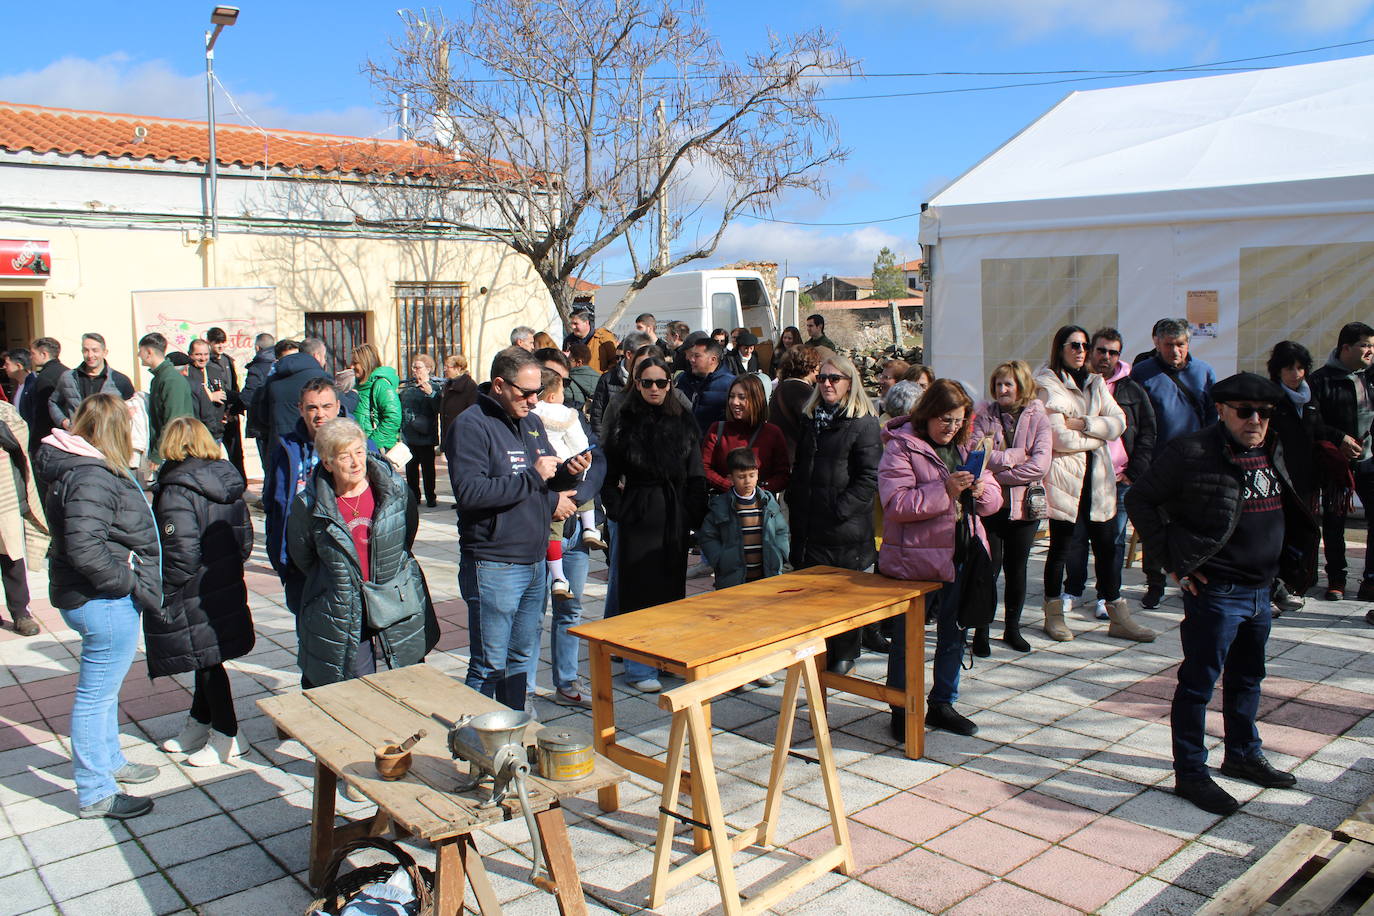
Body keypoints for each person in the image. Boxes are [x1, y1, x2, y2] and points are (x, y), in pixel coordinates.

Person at [1126, 373, 1319, 816]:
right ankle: (1191, 772)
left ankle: (1242, 753)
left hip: (1261, 589)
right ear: (1222, 410)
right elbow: (1140, 500)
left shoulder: (1271, 448)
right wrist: (1175, 562)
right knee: (1198, 685)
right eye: (1245, 412)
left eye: (1265, 413)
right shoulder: (1191, 451)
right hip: (1218, 591)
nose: (1256, 421)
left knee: (1248, 678)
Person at [35, 394, 162, 820]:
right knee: (95, 697)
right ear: (113, 431)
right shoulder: (92, 475)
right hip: (101, 600)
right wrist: (125, 581)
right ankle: (95, 790)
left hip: (91, 596)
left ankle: (110, 763)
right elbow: (84, 547)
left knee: (105, 694)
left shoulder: (80, 466)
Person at [449, 348, 590, 706]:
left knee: (520, 662)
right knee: (488, 665)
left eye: (538, 391)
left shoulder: (531, 421)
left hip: (534, 559)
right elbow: (471, 493)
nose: (534, 400)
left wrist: (564, 475)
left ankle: (514, 729)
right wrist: (534, 477)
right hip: (494, 562)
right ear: (499, 385)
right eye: (526, 392)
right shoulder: (471, 425)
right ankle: (477, 743)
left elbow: (540, 484)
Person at [880, 379, 1002, 738]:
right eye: (944, 420)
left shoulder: (966, 448)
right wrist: (945, 490)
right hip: (914, 561)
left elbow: (994, 499)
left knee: (955, 632)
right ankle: (900, 706)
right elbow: (896, 504)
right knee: (907, 639)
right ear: (928, 414)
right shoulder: (901, 447)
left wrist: (981, 492)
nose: (951, 428)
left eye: (958, 421)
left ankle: (943, 702)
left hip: (960, 554)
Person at [287, 418, 439, 688]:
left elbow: (405, 535)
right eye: (345, 456)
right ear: (327, 462)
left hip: (393, 596)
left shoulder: (393, 490)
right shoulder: (309, 505)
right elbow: (304, 557)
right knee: (356, 685)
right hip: (345, 602)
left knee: (409, 680)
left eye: (359, 452)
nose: (357, 462)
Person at [146, 417, 253, 767]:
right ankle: (201, 721)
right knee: (204, 655)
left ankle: (228, 734)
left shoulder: (177, 489)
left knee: (207, 662)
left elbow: (180, 553)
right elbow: (246, 539)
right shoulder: (225, 478)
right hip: (222, 580)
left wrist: (163, 590)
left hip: (192, 587)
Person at [1037, 326, 1153, 642]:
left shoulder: (1095, 382)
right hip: (1066, 482)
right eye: (1074, 344)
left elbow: (1119, 423)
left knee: (1106, 547)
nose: (1081, 350)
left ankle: (1117, 614)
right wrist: (1098, 436)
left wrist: (1086, 424)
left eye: (1085, 345)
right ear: (1060, 347)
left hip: (1099, 480)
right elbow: (1056, 436)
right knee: (1060, 548)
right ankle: (1053, 613)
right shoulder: (1047, 384)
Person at [602, 355, 708, 692]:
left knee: (670, 589)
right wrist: (618, 508)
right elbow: (608, 471)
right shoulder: (624, 420)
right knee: (637, 591)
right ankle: (638, 666)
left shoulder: (683, 420)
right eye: (647, 382)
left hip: (673, 513)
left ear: (670, 385)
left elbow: (695, 472)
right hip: (638, 511)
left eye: (661, 382)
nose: (654, 389)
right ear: (636, 384)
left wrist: (692, 512)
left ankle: (667, 658)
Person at [786, 353, 880, 674]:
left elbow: (869, 477)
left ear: (849, 383)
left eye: (834, 378)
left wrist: (839, 510)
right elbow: (802, 464)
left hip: (844, 528)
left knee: (843, 595)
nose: (827, 383)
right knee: (812, 594)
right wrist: (795, 498)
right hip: (809, 523)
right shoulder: (810, 418)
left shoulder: (864, 422)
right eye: (823, 378)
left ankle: (846, 652)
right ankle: (817, 649)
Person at [527, 352, 607, 708]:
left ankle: (567, 682)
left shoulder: (573, 417)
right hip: (543, 531)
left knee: (570, 609)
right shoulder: (527, 424)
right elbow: (525, 476)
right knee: (531, 614)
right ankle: (525, 689)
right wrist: (553, 499)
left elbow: (598, 458)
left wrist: (580, 495)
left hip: (576, 525)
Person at [1063, 329, 1157, 618]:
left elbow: (1147, 433)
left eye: (1112, 352)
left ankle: (1107, 594)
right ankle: (1074, 589)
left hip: (1117, 479)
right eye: (1101, 350)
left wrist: (1134, 472)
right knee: (1076, 537)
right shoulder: (1076, 385)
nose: (1106, 357)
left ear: (1120, 355)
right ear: (1091, 352)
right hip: (1080, 475)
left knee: (1113, 540)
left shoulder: (1132, 390)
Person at [1132, 317, 1217, 609]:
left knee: (1192, 525)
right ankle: (1154, 582)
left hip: (1195, 464)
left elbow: (1211, 418)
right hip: (1156, 464)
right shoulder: (1142, 373)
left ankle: (1193, 578)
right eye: (1169, 345)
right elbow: (1136, 421)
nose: (1175, 351)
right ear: (1157, 343)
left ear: (1188, 343)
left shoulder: (1204, 372)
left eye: (1180, 344)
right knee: (1155, 526)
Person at [968, 360, 1051, 654]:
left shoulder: (1039, 416)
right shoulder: (985, 415)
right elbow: (977, 454)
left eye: (1008, 384)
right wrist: (1017, 456)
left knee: (1018, 569)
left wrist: (1000, 468)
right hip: (991, 505)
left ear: (1021, 386)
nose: (1002, 390)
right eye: (998, 384)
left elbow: (1040, 464)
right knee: (988, 568)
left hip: (1024, 507)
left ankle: (1012, 628)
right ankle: (980, 629)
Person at [698, 447, 789, 689]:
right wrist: (720, 559)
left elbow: (781, 531)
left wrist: (780, 554)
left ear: (758, 475)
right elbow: (707, 536)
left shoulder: (768, 502)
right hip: (735, 575)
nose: (747, 481)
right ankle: (736, 669)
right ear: (730, 478)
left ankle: (762, 666)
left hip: (764, 573)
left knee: (763, 622)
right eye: (741, 476)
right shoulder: (721, 505)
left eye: (751, 475)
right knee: (735, 624)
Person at [264, 378, 349, 615]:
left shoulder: (358, 445)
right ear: (300, 409)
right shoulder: (286, 449)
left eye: (326, 406)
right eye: (312, 407)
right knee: (307, 638)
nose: (319, 414)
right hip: (299, 564)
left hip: (343, 563)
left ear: (338, 406)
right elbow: (273, 504)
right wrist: (278, 553)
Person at [1308, 321, 1374, 602]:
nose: (1370, 351)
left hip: (1370, 460)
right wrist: (1339, 439)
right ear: (1345, 347)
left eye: (1373, 346)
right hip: (1336, 462)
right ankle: (1336, 578)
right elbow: (1311, 421)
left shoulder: (1372, 376)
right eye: (1365, 345)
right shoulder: (1321, 380)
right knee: (1335, 521)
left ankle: (1370, 581)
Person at [1266, 340, 1330, 614]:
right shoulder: (1270, 399)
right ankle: (1271, 587)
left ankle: (1293, 582)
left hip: (1304, 479)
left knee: (1301, 532)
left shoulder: (1309, 397)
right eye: (1289, 368)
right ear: (1277, 370)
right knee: (1273, 536)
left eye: (1301, 367)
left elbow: (1320, 431)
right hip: (1276, 478)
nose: (1296, 374)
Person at [533, 367, 603, 597]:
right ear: (552, 394)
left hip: (546, 476)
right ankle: (591, 529)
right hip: (569, 468)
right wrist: (583, 460)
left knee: (554, 533)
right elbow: (581, 444)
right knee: (583, 490)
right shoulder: (566, 414)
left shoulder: (530, 414)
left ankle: (558, 579)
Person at [0, 400, 46, 636]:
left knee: (11, 554)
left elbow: (19, 439)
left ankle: (21, 613)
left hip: (4, 495)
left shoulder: (4, 411)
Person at [700, 373, 789, 495]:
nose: (734, 402)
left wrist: (755, 492)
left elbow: (782, 475)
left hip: (759, 509)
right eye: (731, 396)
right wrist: (730, 486)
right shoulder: (717, 429)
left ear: (756, 399)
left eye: (742, 397)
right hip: (724, 507)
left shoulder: (772, 433)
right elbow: (703, 467)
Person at [256, 337, 332, 456]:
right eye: (324, 357)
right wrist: (353, 395)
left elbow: (262, 415)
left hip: (280, 446)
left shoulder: (272, 378)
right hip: (312, 445)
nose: (325, 361)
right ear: (317, 356)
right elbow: (338, 408)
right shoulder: (321, 378)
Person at [49, 332, 135, 431]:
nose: (90, 355)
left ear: (105, 352)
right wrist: (63, 421)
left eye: (95, 350)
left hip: (107, 440)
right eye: (86, 350)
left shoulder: (120, 380)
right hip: (77, 438)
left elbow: (131, 409)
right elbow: (53, 402)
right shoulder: (68, 377)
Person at [136, 333, 197, 466]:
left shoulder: (171, 380)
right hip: (168, 451)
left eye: (140, 351)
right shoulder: (159, 378)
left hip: (176, 453)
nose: (138, 355)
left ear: (149, 352)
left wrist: (158, 455)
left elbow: (173, 421)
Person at [399, 353, 442, 507]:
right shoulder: (407, 387)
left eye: (418, 367)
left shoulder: (435, 387)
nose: (414, 370)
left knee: (428, 469)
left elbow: (438, 409)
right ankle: (414, 498)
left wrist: (431, 393)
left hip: (426, 436)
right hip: (409, 436)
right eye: (413, 367)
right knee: (411, 470)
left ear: (428, 369)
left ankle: (431, 497)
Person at [203, 327, 246, 478]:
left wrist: (234, 410)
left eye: (223, 342)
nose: (220, 346)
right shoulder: (205, 363)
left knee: (236, 453)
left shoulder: (228, 360)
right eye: (216, 343)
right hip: (214, 415)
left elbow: (234, 386)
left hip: (231, 413)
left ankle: (241, 485)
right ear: (209, 343)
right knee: (212, 453)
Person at [589, 332, 649, 435]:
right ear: (629, 355)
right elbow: (597, 417)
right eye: (644, 354)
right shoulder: (608, 380)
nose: (649, 358)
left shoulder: (654, 379)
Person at [677, 337, 735, 433]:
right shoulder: (685, 379)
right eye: (691, 355)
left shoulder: (730, 385)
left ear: (712, 359)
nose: (691, 359)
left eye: (697, 356)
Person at [352, 343, 401, 452]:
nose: (352, 367)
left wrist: (373, 443)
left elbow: (393, 418)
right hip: (361, 447)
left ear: (366, 363)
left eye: (355, 363)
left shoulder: (381, 385)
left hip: (377, 449)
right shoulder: (357, 385)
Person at [239, 333, 277, 468]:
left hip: (262, 425)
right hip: (279, 423)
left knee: (268, 466)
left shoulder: (257, 368)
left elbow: (248, 397)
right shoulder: (280, 363)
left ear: (257, 347)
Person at [187, 338, 230, 447]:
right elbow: (188, 400)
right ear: (190, 355)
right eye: (198, 355)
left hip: (217, 431)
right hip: (198, 432)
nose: (203, 358)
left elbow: (224, 393)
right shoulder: (188, 374)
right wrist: (209, 397)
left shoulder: (214, 371)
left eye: (206, 354)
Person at [28, 338, 66, 459]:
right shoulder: (68, 372)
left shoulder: (44, 377)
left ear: (44, 354)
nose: (31, 357)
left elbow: (42, 413)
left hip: (49, 437)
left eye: (33, 353)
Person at [564, 307, 618, 372]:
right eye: (571, 324)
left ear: (586, 323)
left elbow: (614, 362)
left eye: (576, 324)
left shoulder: (603, 338)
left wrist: (604, 378)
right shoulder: (568, 341)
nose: (573, 327)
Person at [439, 354, 477, 444]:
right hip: (449, 434)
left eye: (448, 367)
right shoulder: (448, 385)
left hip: (463, 437)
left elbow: (473, 414)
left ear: (458, 369)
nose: (445, 370)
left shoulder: (469, 386)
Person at [564, 343, 600, 409]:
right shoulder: (600, 379)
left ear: (579, 362)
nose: (566, 362)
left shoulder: (567, 381)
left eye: (569, 359)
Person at [6, 349, 35, 428]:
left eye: (7, 364)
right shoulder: (20, 385)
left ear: (19, 366)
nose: (4, 367)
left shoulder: (33, 386)